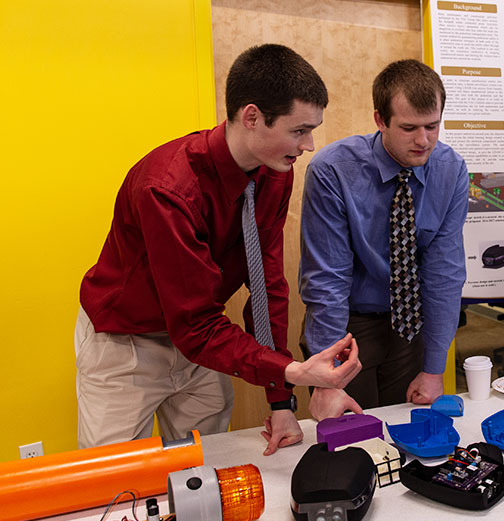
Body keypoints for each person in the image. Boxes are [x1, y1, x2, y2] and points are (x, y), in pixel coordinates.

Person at [77, 44, 362, 456]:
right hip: (127, 343)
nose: (309, 145)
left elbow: (266, 289)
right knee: (115, 483)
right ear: (251, 117)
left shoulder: (274, 173)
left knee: (201, 466)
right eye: (299, 130)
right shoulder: (168, 189)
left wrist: (280, 398)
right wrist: (290, 370)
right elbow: (193, 323)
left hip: (201, 341)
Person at [300, 59, 468, 417]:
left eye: (432, 126)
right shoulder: (333, 170)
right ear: (380, 120)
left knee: (405, 432)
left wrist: (435, 368)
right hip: (347, 326)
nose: (424, 141)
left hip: (410, 326)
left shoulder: (450, 170)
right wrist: (329, 380)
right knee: (351, 440)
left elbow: (444, 273)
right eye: (409, 128)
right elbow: (327, 279)